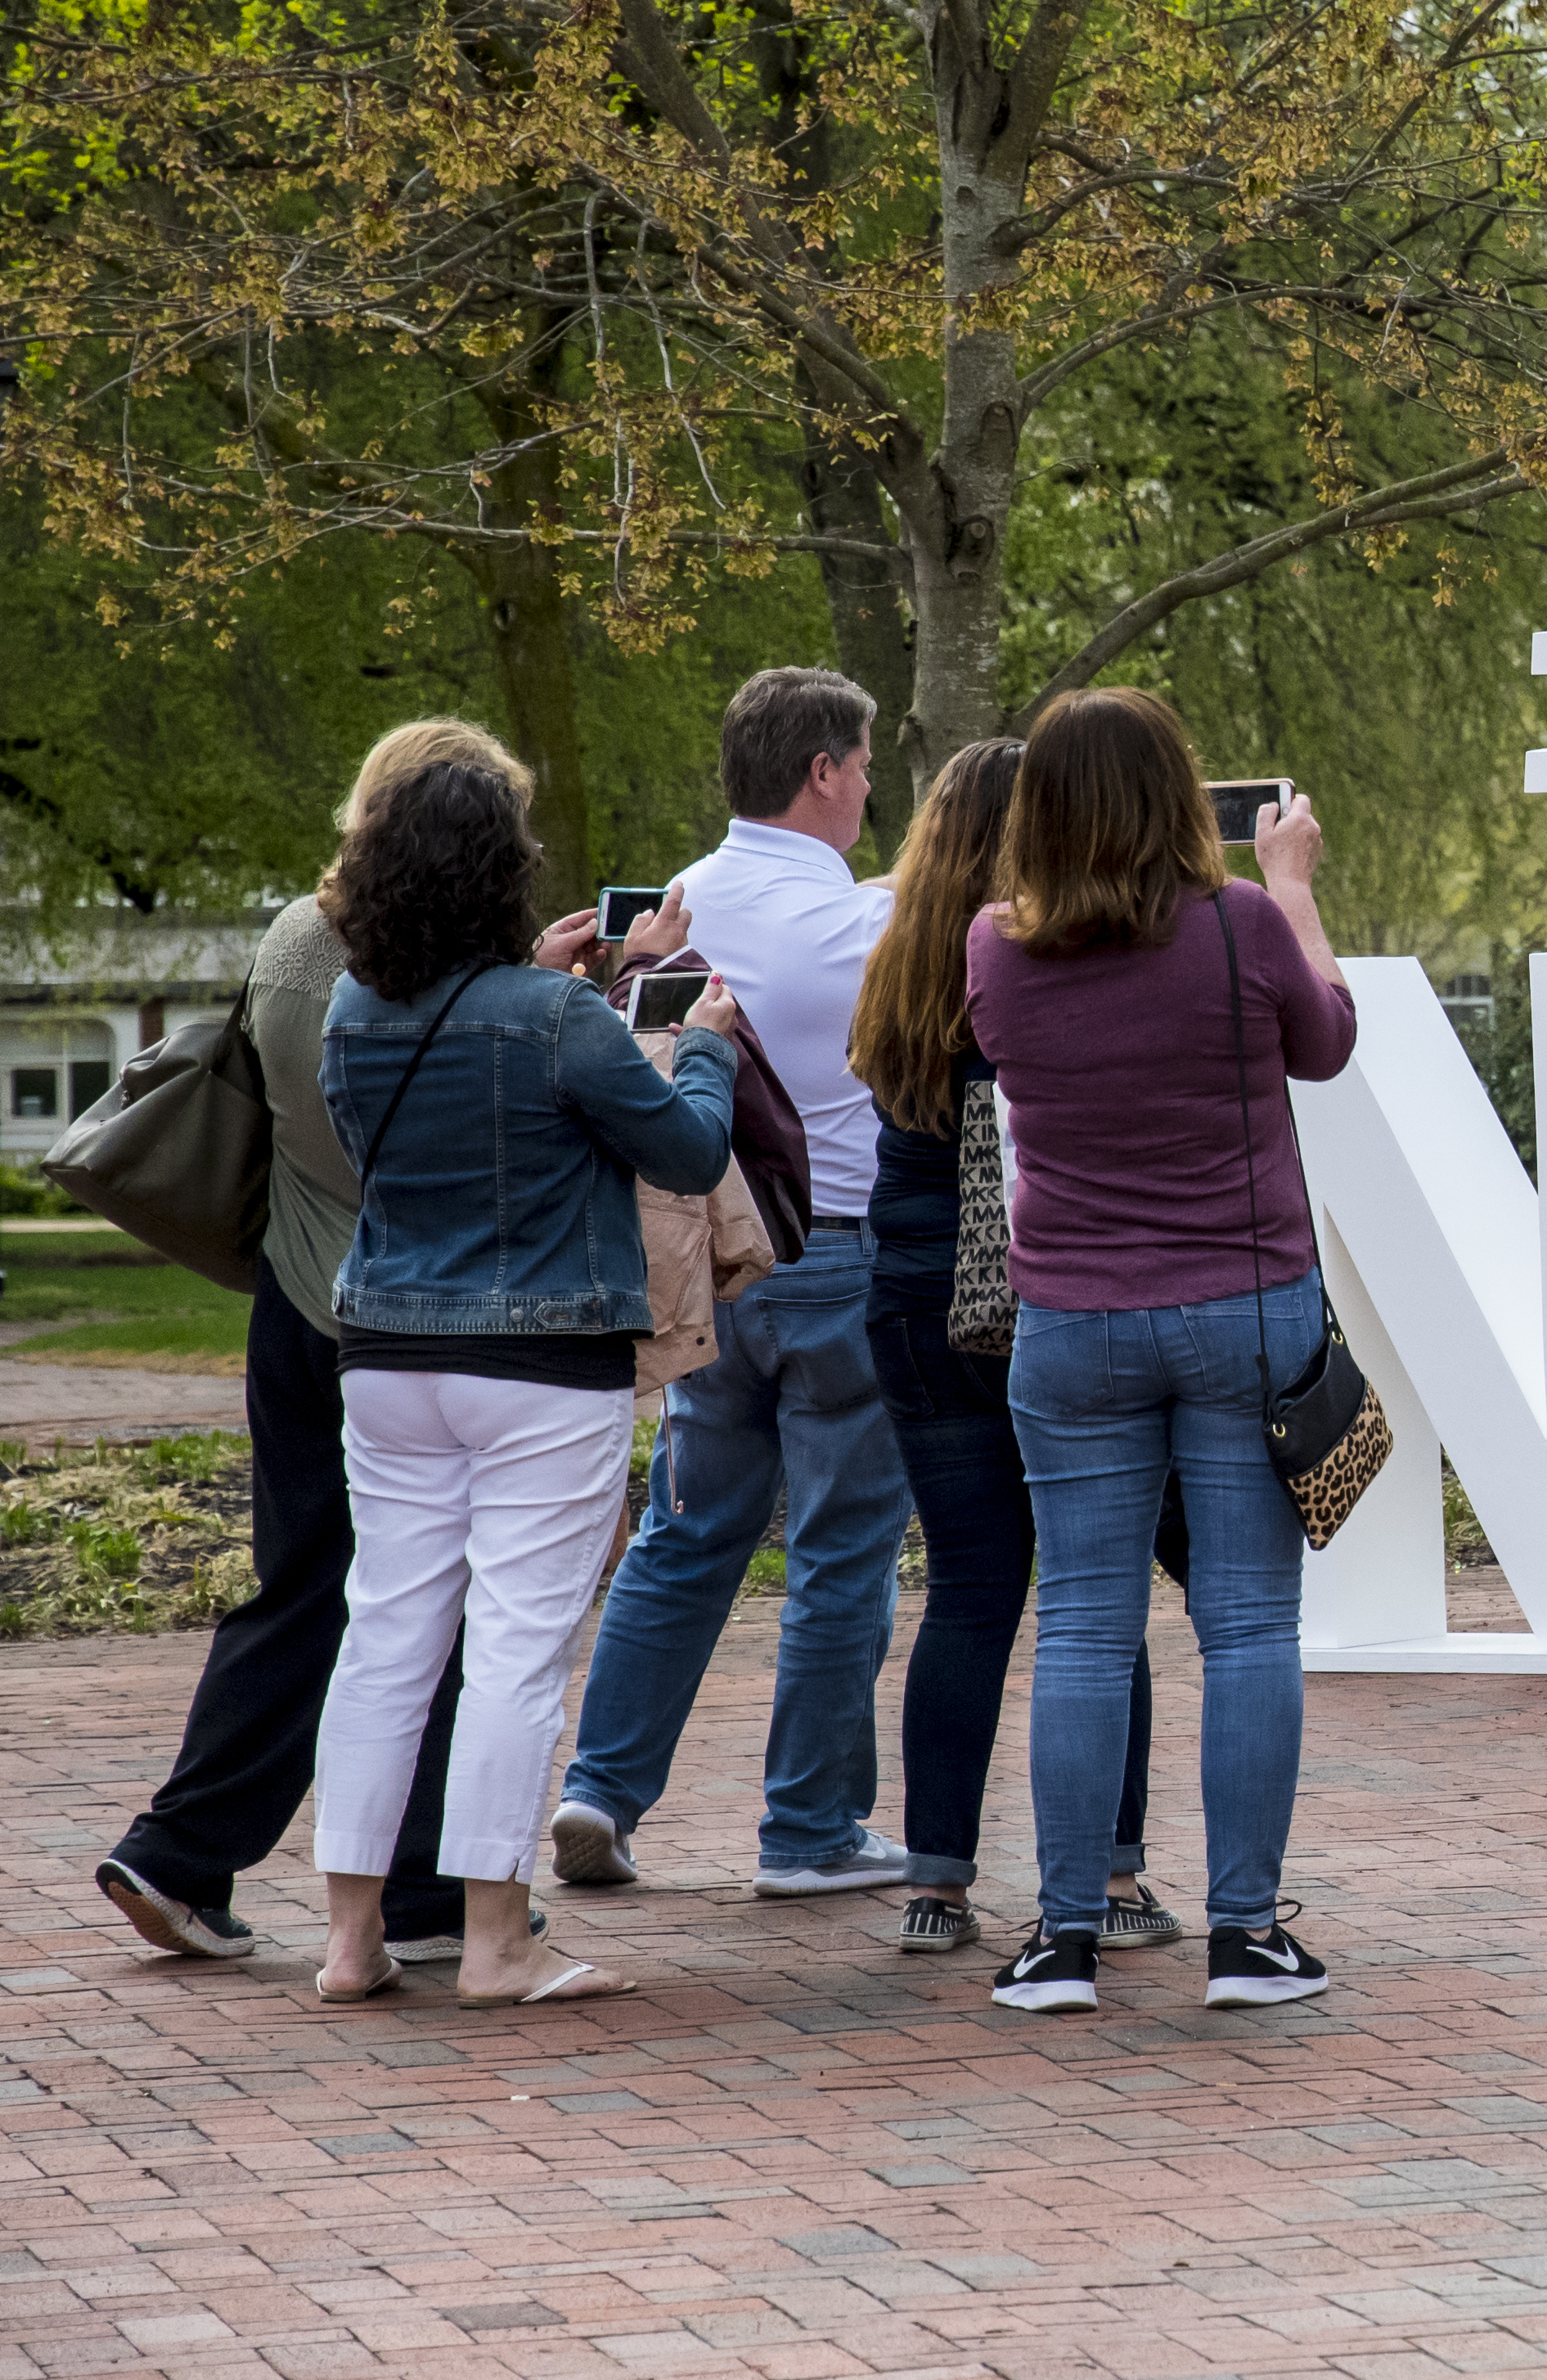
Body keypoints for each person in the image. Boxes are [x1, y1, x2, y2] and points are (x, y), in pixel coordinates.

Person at [96, 722, 573, 1964]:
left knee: (314, 1591)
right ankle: (301, 1866)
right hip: (410, 1318)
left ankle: (218, 1858)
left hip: (296, 1304)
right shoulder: (429, 969)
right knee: (434, 1605)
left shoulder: (292, 943)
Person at [308, 760, 742, 2005]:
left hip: (389, 1353)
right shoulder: (554, 1021)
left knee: (387, 1636)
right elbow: (688, 1146)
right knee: (513, 1647)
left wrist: (579, 985)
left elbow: (456, 1091)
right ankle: (497, 1940)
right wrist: (703, 1048)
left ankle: (350, 1941)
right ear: (498, 866)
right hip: (542, 1366)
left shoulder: (352, 1010)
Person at [967, 687, 1355, 2013]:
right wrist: (1292, 889)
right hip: (1244, 1307)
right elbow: (1328, 1045)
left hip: (1072, 1322)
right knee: (1246, 1623)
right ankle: (1246, 1939)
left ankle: (1061, 1939)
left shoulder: (991, 951)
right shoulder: (1238, 924)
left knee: (1080, 1623)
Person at [554, 668, 920, 1897]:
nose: (869, 785)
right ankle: (808, 1830)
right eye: (863, 765)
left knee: (686, 1530)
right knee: (842, 1546)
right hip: (842, 1253)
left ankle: (601, 1787)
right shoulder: (872, 930)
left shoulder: (676, 908)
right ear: (822, 772)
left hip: (714, 1259)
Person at [846, 738, 1180, 1953]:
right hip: (1051, 1290)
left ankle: (936, 1882)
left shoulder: (894, 966)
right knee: (1096, 1594)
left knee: (970, 1592)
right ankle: (1118, 1880)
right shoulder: (1049, 960)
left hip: (911, 1297)